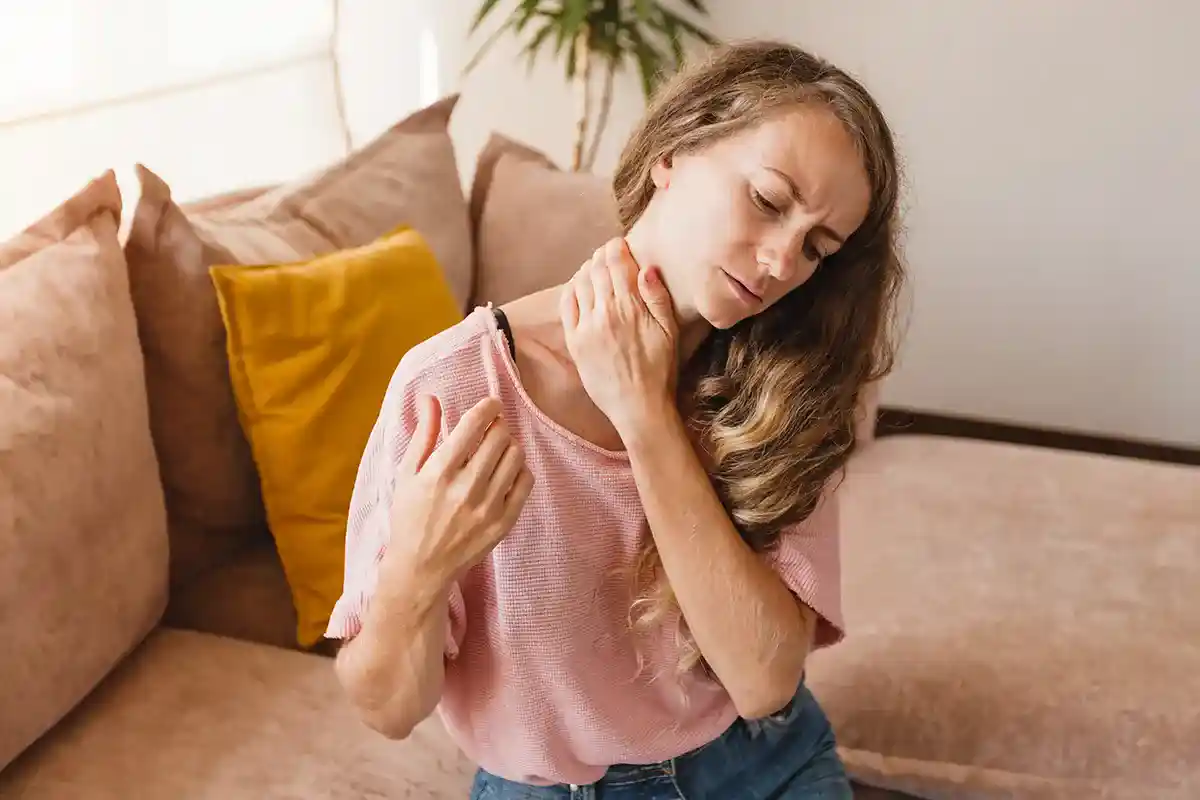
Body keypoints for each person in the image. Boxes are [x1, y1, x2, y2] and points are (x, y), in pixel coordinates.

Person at [327, 38, 904, 799]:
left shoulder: (787, 389)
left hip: (763, 764)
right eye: (766, 200)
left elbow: (765, 679)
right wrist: (416, 571)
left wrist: (644, 412)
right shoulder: (456, 385)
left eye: (817, 247)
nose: (779, 263)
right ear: (676, 148)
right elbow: (388, 709)